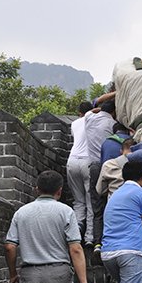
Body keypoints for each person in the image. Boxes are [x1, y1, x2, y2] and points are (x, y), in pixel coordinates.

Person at [84, 100, 116, 260]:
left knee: (97, 207)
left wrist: (101, 108)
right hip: (109, 166)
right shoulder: (112, 123)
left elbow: (92, 110)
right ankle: (110, 242)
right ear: (113, 112)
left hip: (94, 167)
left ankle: (97, 244)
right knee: (111, 204)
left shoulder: (89, 118)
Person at [66, 101, 94, 246]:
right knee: (90, 200)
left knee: (78, 200)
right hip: (87, 162)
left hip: (72, 161)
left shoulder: (75, 123)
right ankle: (89, 236)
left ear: (80, 113)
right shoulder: (95, 120)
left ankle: (76, 228)